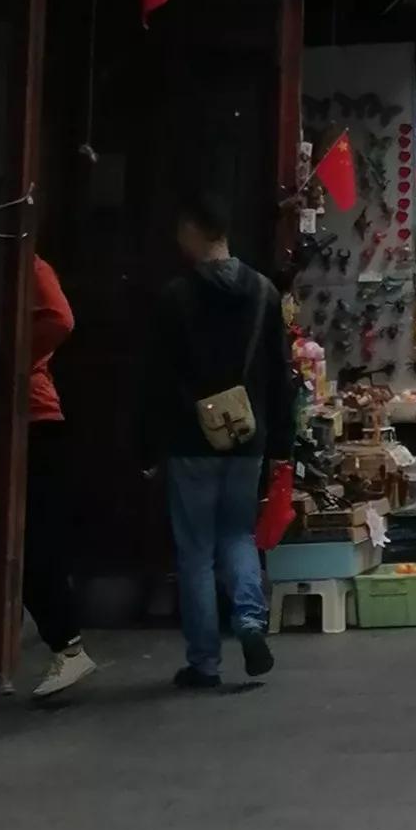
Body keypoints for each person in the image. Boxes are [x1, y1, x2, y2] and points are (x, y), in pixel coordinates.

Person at [141, 189, 291, 690]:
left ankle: (204, 663)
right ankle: (249, 621)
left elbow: (157, 379)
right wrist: (283, 445)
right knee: (238, 535)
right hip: (248, 436)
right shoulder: (265, 293)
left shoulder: (174, 297)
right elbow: (280, 376)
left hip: (191, 440)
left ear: (192, 231)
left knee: (196, 551)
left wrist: (147, 444)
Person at [24, 254, 93, 700]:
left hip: (34, 416)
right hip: (10, 413)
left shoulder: (28, 264)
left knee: (35, 541)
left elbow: (60, 320)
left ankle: (67, 647)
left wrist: (10, 353)